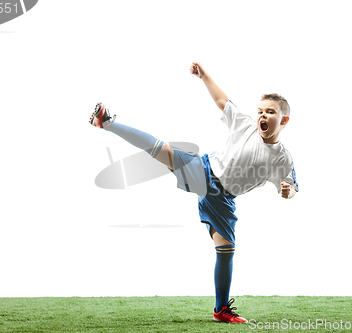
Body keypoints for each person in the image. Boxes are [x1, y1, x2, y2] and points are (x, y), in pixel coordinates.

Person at [89, 62, 298, 323]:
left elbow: (290, 187)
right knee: (164, 151)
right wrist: (204, 76)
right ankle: (108, 122)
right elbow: (223, 100)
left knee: (226, 249)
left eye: (270, 112)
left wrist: (287, 191)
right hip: (207, 171)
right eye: (260, 111)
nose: (262, 116)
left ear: (284, 120)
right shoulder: (245, 125)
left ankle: (221, 310)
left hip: (223, 200)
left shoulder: (282, 158)